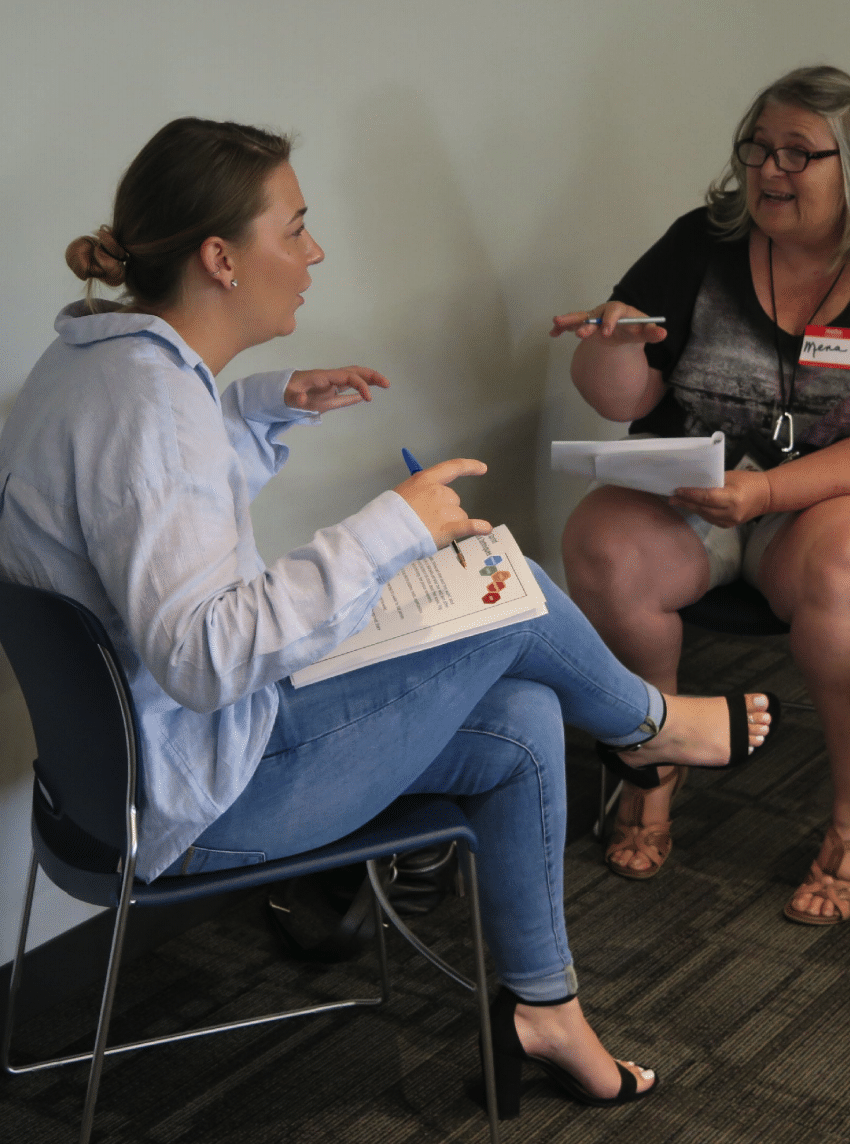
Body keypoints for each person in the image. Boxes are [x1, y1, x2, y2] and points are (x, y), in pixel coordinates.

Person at [0, 118, 777, 1117]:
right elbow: (202, 651)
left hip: (118, 775)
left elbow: (140, 520)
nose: (314, 252)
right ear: (220, 258)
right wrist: (390, 528)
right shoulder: (152, 413)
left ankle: (545, 1012)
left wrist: (260, 408)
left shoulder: (98, 365)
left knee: (529, 716)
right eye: (297, 228)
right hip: (210, 791)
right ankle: (648, 726)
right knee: (509, 587)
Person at [552, 66, 850, 920]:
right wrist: (609, 341)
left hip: (837, 499)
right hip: (702, 496)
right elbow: (623, 399)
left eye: (795, 155)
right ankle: (655, 754)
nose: (768, 171)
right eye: (756, 149)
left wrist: (772, 490)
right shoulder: (700, 242)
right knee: (599, 538)